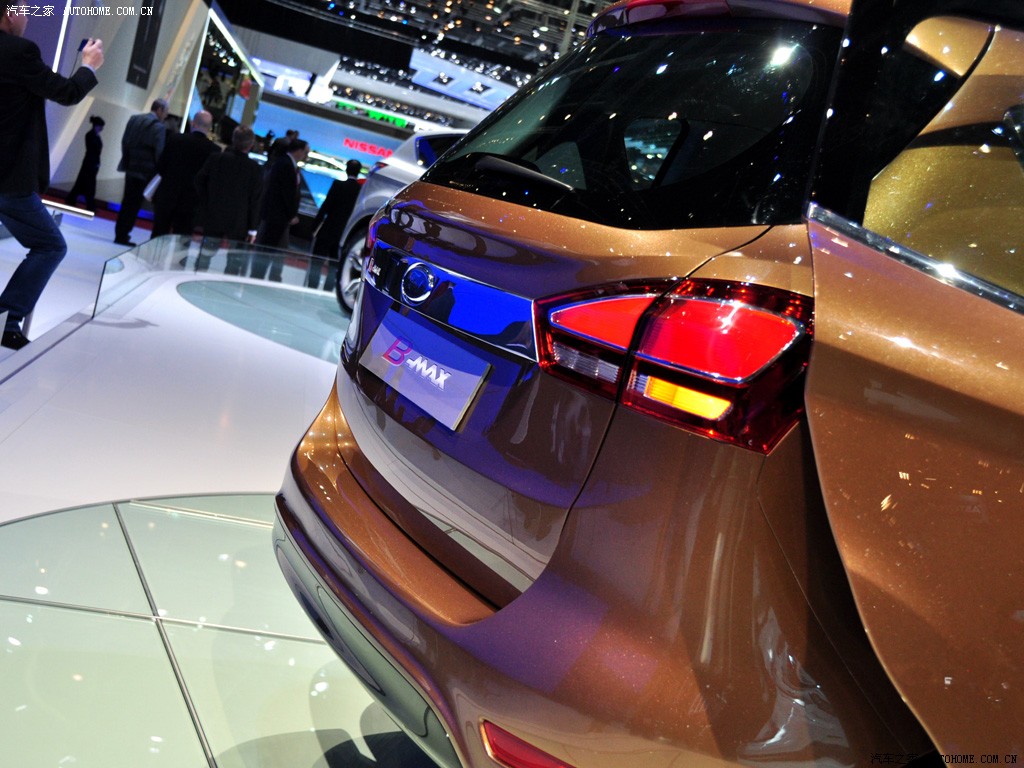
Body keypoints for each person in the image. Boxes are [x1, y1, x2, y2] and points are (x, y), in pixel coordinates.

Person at [0, 8, 103, 350]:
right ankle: (6, 318)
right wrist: (89, 65)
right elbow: (67, 92)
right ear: (10, 14)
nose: (28, 17)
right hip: (8, 179)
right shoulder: (20, 51)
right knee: (50, 245)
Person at [194, 125, 263, 274]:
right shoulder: (255, 169)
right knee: (234, 263)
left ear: (233, 139)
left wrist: (207, 201)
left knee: (204, 257)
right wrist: (253, 229)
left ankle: (196, 281)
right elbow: (255, 201)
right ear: (251, 144)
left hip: (214, 215)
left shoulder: (216, 158)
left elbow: (199, 181)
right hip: (239, 222)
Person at [150, 110, 219, 239]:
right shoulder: (214, 151)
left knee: (158, 235)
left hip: (167, 195)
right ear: (209, 128)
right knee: (182, 240)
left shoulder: (175, 139)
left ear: (193, 123)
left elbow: (161, 166)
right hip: (191, 203)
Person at [251, 137, 308, 281]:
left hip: (277, 216)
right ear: (299, 151)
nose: (306, 156)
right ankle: (258, 276)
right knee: (267, 247)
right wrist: (291, 214)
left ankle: (263, 276)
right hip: (276, 216)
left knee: (272, 247)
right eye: (305, 152)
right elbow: (286, 194)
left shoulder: (286, 164)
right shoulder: (286, 165)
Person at [114, 98, 167, 246]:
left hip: (131, 167)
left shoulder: (134, 119)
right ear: (159, 110)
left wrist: (128, 160)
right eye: (165, 112)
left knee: (126, 201)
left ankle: (120, 233)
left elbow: (124, 142)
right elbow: (159, 152)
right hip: (145, 172)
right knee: (135, 204)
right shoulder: (159, 128)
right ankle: (124, 234)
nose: (165, 116)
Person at [307, 159, 362, 289]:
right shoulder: (360, 191)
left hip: (328, 229)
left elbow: (325, 207)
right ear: (358, 172)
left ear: (346, 169)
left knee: (317, 261)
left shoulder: (338, 185)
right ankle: (327, 289)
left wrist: (314, 227)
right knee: (335, 264)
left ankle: (311, 287)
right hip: (344, 234)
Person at [64, 115, 105, 211]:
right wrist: (95, 162)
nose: (101, 128)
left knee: (82, 183)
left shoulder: (94, 136)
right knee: (89, 185)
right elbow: (91, 150)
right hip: (90, 163)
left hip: (91, 163)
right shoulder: (90, 135)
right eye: (100, 126)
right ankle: (89, 205)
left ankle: (72, 199)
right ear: (96, 125)